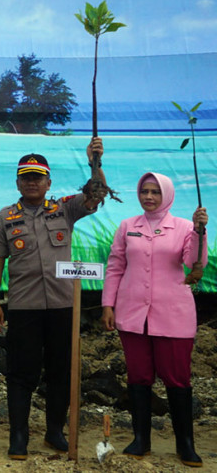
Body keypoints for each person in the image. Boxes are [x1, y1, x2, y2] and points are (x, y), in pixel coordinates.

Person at [0, 139, 105, 460]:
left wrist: (94, 162)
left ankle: (55, 431)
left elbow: (96, 195)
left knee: (61, 371)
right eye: (26, 176)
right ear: (17, 182)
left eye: (38, 177)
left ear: (48, 182)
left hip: (64, 307)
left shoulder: (64, 208)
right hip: (24, 308)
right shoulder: (4, 217)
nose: (32, 182)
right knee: (21, 373)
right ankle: (19, 437)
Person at [101, 172, 207, 466]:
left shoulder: (185, 227)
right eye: (145, 191)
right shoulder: (127, 226)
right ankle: (140, 439)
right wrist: (108, 304)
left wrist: (200, 231)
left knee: (177, 379)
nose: (148, 197)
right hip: (132, 313)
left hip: (173, 315)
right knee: (138, 377)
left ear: (167, 195)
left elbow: (193, 263)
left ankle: (185, 444)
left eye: (155, 192)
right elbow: (115, 266)